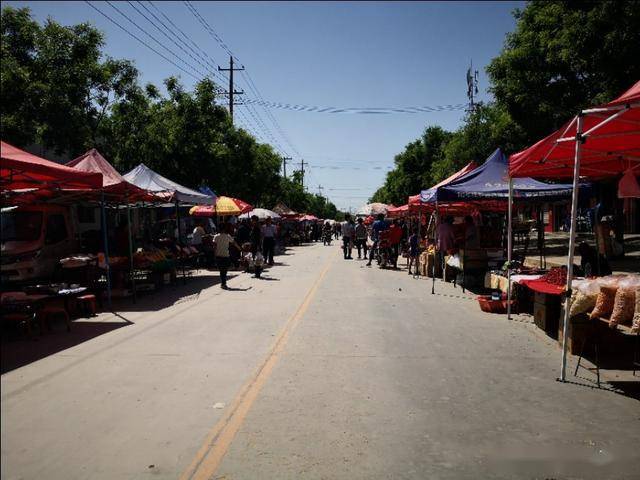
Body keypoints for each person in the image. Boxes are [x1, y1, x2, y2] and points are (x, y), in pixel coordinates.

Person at [213, 223, 241, 289]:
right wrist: (239, 248)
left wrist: (214, 255)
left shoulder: (216, 236)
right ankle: (223, 283)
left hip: (218, 256)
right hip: (226, 255)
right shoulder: (228, 236)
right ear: (225, 229)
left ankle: (223, 283)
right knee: (224, 271)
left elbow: (214, 246)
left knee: (221, 270)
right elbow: (234, 243)